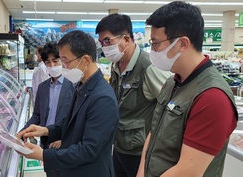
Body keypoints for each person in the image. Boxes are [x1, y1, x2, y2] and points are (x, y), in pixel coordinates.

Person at [136, 1, 238, 177]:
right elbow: (154, 132)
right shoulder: (171, 83)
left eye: (156, 43)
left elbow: (188, 171)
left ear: (183, 43)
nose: (152, 50)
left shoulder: (213, 97)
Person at [17, 30, 119, 177]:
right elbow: (69, 122)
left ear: (85, 60)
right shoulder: (81, 85)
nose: (63, 67)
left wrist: (44, 155)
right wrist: (45, 130)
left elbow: (88, 150)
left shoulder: (103, 98)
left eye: (65, 61)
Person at [95, 13, 170, 177]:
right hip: (119, 146)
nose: (104, 47)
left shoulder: (149, 67)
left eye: (108, 41)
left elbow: (170, 106)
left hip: (140, 153)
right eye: (101, 42)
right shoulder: (116, 66)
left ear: (126, 39)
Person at [20, 42, 74, 177]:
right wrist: (24, 132)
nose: (52, 66)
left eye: (55, 61)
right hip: (46, 142)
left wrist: (67, 140)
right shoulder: (43, 87)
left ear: (62, 60)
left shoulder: (74, 85)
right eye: (48, 62)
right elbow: (37, 115)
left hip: (66, 144)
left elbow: (78, 119)